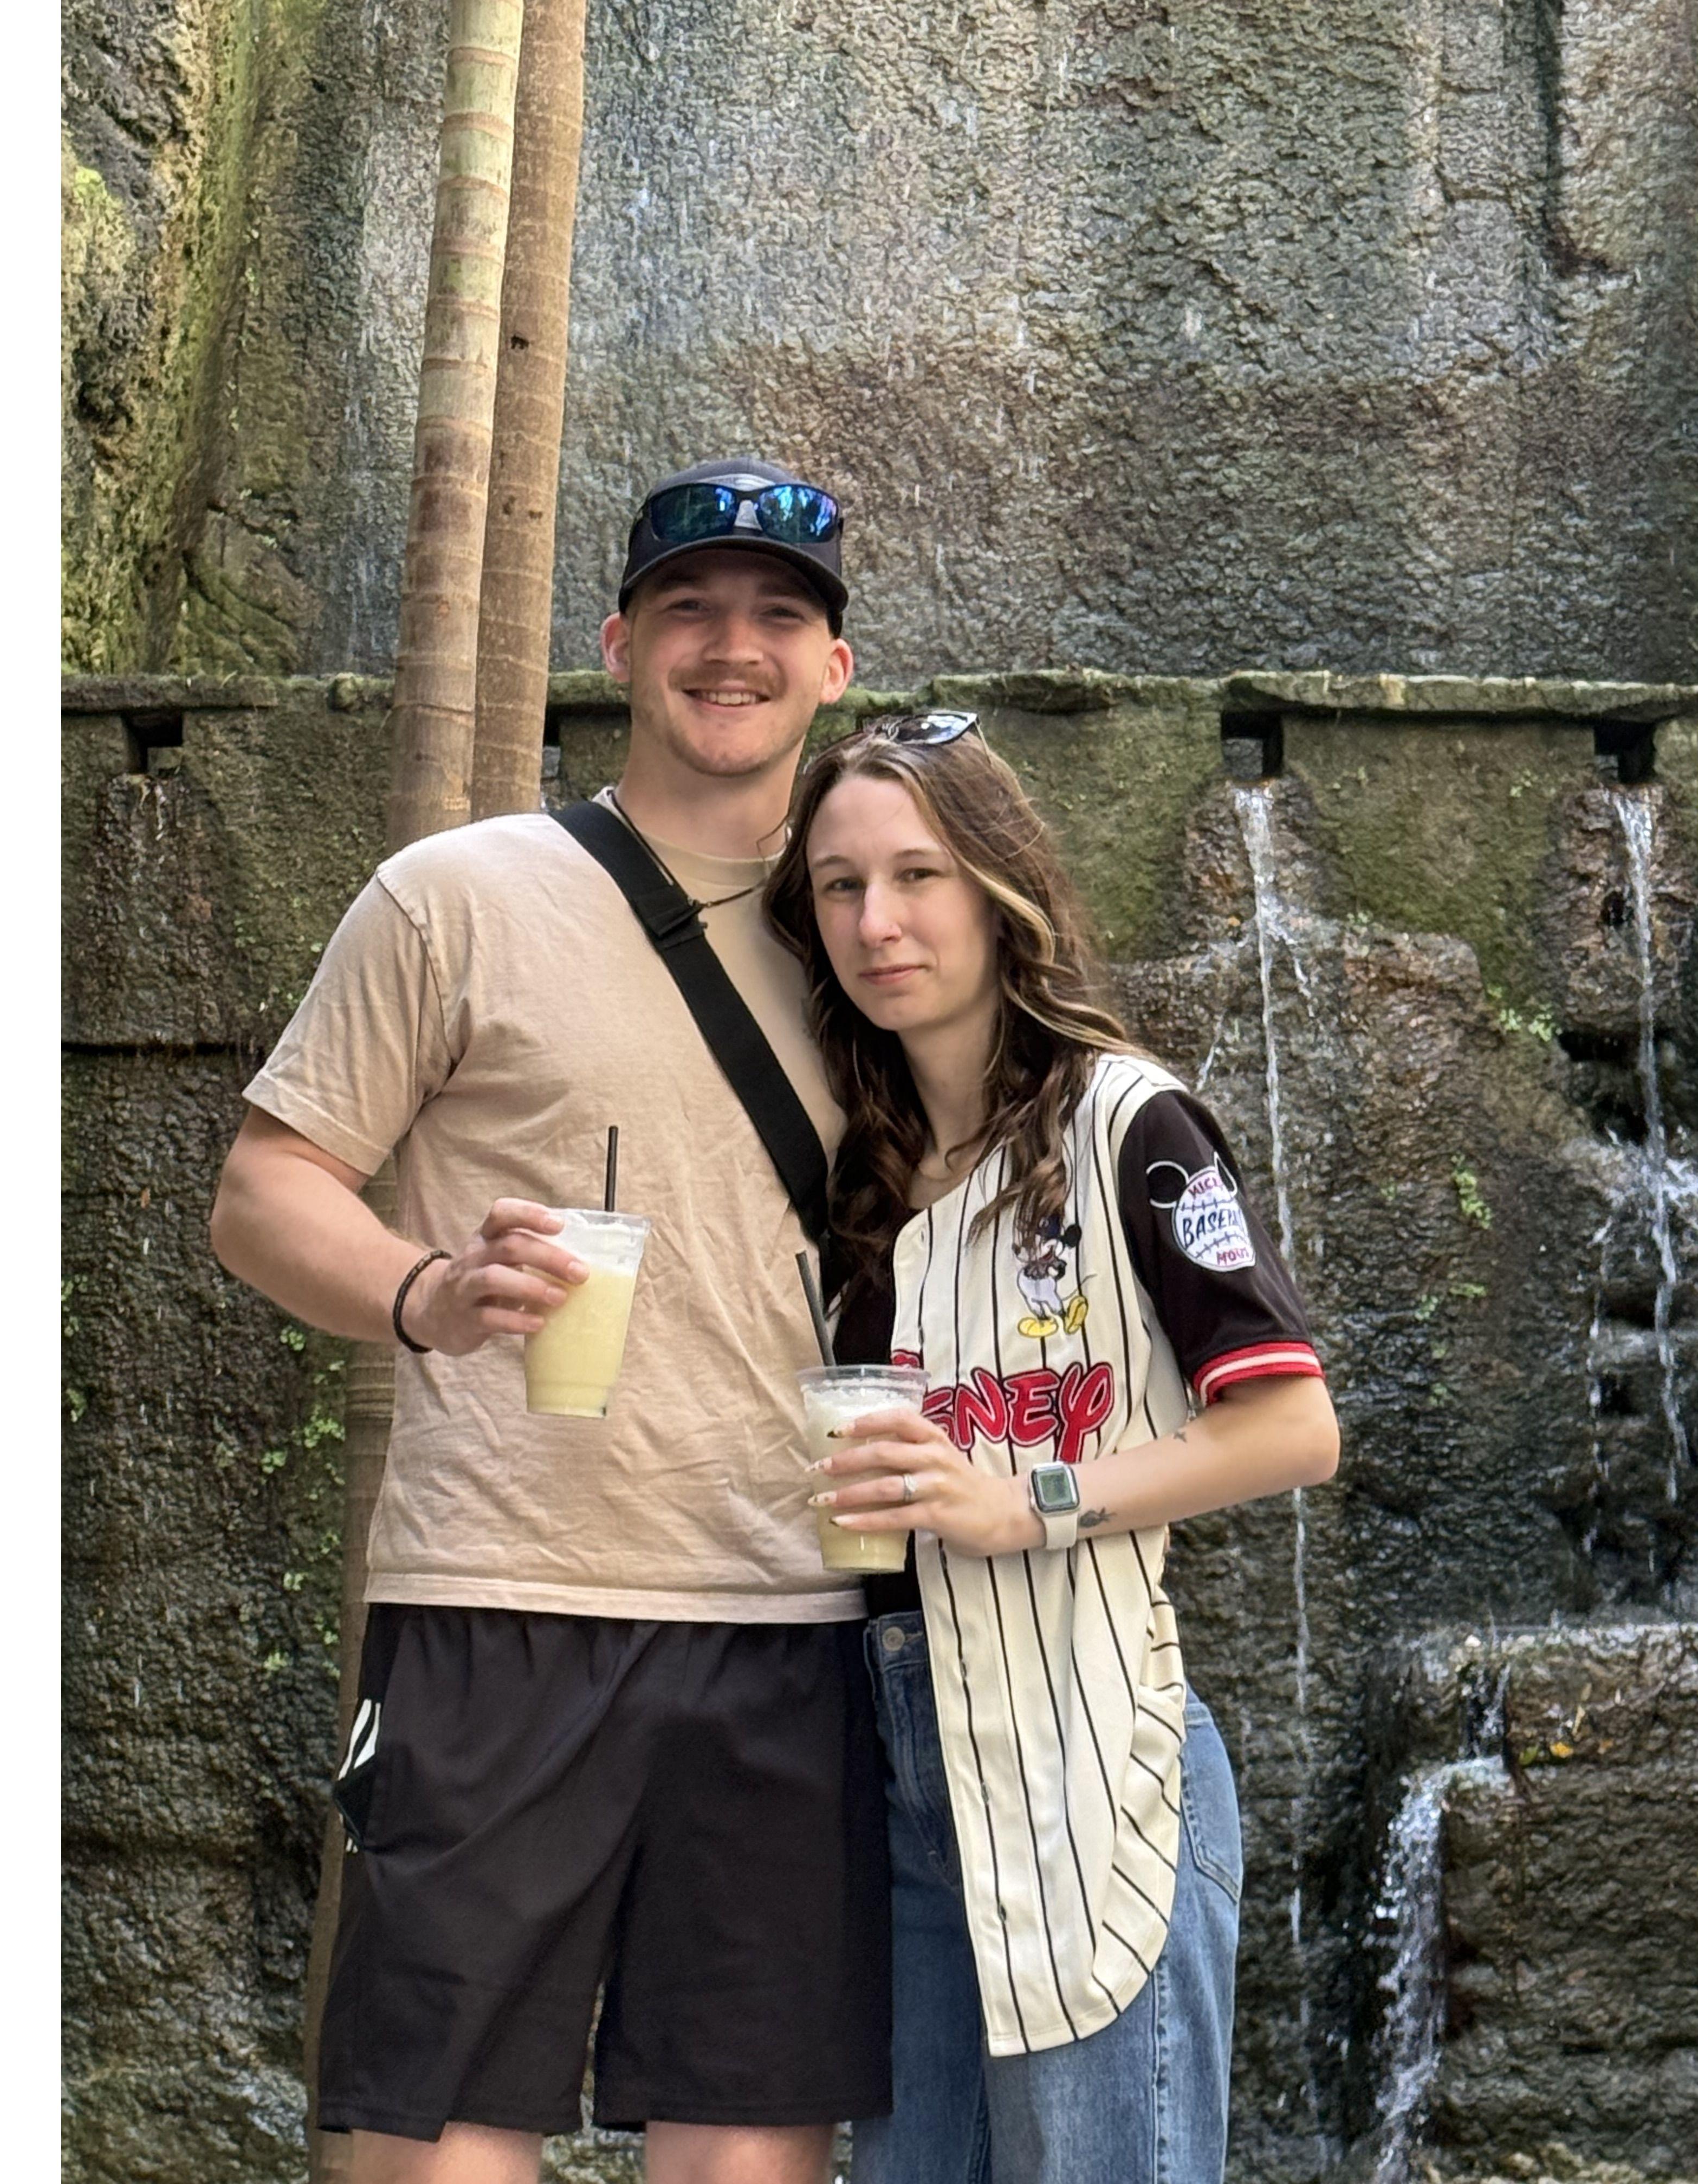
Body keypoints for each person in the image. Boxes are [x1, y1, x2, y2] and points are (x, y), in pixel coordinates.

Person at [208, 459, 892, 2184]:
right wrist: (431, 1293)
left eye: (777, 618)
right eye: (690, 611)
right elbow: (266, 1191)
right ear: (618, 642)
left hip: (790, 1617)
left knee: (751, 2153)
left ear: (835, 668)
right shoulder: (457, 895)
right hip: (497, 1599)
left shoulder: (888, 928)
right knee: (431, 2137)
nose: (730, 648)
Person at [760, 715, 1343, 2183]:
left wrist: (1035, 1497)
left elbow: (1292, 1427)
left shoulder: (1127, 1128)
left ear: (1000, 885)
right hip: (901, 1774)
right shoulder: (856, 1174)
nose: (878, 922)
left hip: (1094, 1768)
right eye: (839, 887)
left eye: (919, 873)